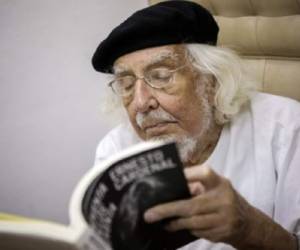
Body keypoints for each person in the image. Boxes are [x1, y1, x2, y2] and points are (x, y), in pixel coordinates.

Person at [91, 1, 300, 249]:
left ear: (211, 81)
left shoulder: (285, 128)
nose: (140, 102)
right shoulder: (117, 149)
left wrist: (250, 228)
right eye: (126, 85)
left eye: (160, 76)